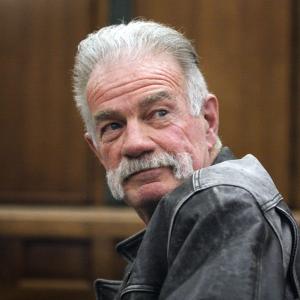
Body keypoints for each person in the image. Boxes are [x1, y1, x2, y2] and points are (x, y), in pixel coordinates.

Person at [73, 20, 300, 299]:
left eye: (159, 113)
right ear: (96, 150)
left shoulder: (225, 206)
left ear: (208, 120)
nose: (134, 144)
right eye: (113, 127)